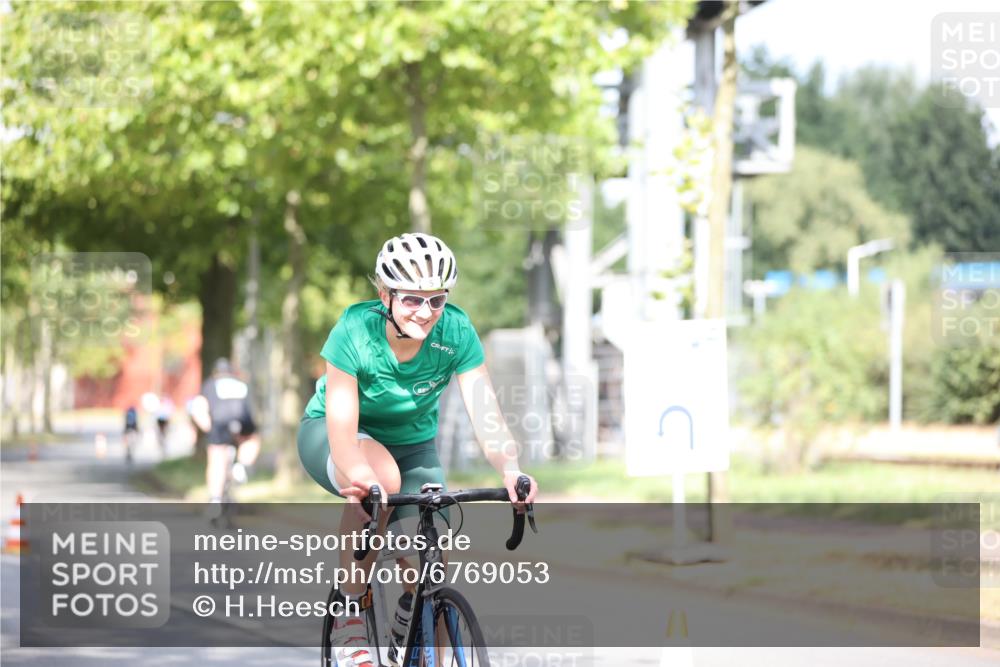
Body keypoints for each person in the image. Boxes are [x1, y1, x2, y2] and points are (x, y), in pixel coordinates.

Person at [297, 232, 538, 667]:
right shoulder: (354, 330)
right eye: (411, 299)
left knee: (430, 565)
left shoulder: (455, 331)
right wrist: (361, 477)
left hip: (413, 446)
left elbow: (485, 411)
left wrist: (511, 469)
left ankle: (416, 620)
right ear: (384, 294)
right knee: (382, 480)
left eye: (436, 300)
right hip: (335, 436)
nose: (425, 312)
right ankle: (350, 610)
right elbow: (342, 430)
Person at [189, 358, 261, 510]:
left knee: (216, 458)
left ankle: (215, 499)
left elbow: (199, 406)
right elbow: (250, 407)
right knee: (252, 440)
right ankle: (241, 466)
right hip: (241, 422)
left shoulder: (210, 384)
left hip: (219, 423)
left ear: (216, 372)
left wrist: (208, 427)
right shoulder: (241, 384)